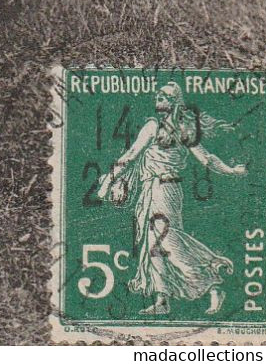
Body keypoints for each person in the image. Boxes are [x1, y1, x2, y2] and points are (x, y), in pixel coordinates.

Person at [98, 82, 246, 317]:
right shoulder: (154, 125)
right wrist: (110, 180)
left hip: (166, 190)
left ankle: (212, 278)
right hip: (153, 189)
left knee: (167, 241)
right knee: (153, 246)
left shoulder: (176, 128)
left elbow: (206, 158)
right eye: (159, 94)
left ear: (175, 102)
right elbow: (133, 156)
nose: (159, 97)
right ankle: (162, 300)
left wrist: (231, 171)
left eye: (165, 96)